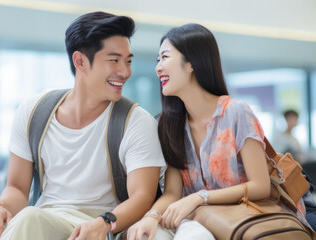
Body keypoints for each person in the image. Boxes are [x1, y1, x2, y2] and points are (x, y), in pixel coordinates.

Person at [0, 11, 166, 240]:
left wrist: (104, 223)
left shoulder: (136, 122)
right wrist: (0, 207)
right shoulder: (34, 112)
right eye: (114, 60)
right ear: (80, 61)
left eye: (128, 61)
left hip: (95, 223)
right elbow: (16, 188)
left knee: (30, 218)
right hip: (43, 218)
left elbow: (142, 197)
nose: (125, 72)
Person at [127, 23, 312, 239]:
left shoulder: (236, 112)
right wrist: (152, 215)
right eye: (157, 60)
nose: (158, 67)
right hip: (202, 220)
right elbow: (173, 193)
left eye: (165, 57)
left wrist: (200, 197)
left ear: (191, 63)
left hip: (247, 218)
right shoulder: (170, 125)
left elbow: (260, 186)